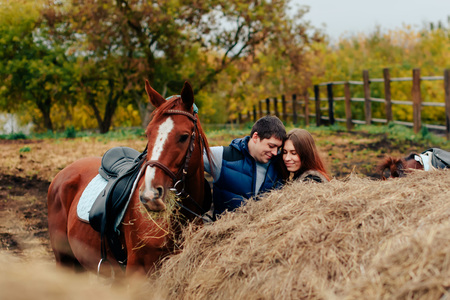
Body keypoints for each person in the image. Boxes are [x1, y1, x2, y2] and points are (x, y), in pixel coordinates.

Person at [204, 115, 286, 217]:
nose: (275, 152)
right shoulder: (223, 157)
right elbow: (185, 155)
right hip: (227, 231)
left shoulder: (281, 164)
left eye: (278, 148)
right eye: (271, 146)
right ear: (255, 137)